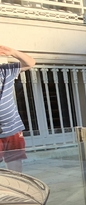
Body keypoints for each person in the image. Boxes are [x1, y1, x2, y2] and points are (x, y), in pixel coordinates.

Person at [0, 45, 36, 173]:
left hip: (12, 128)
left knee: (15, 165)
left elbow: (30, 63)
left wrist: (13, 52)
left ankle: (16, 190)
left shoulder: (5, 71)